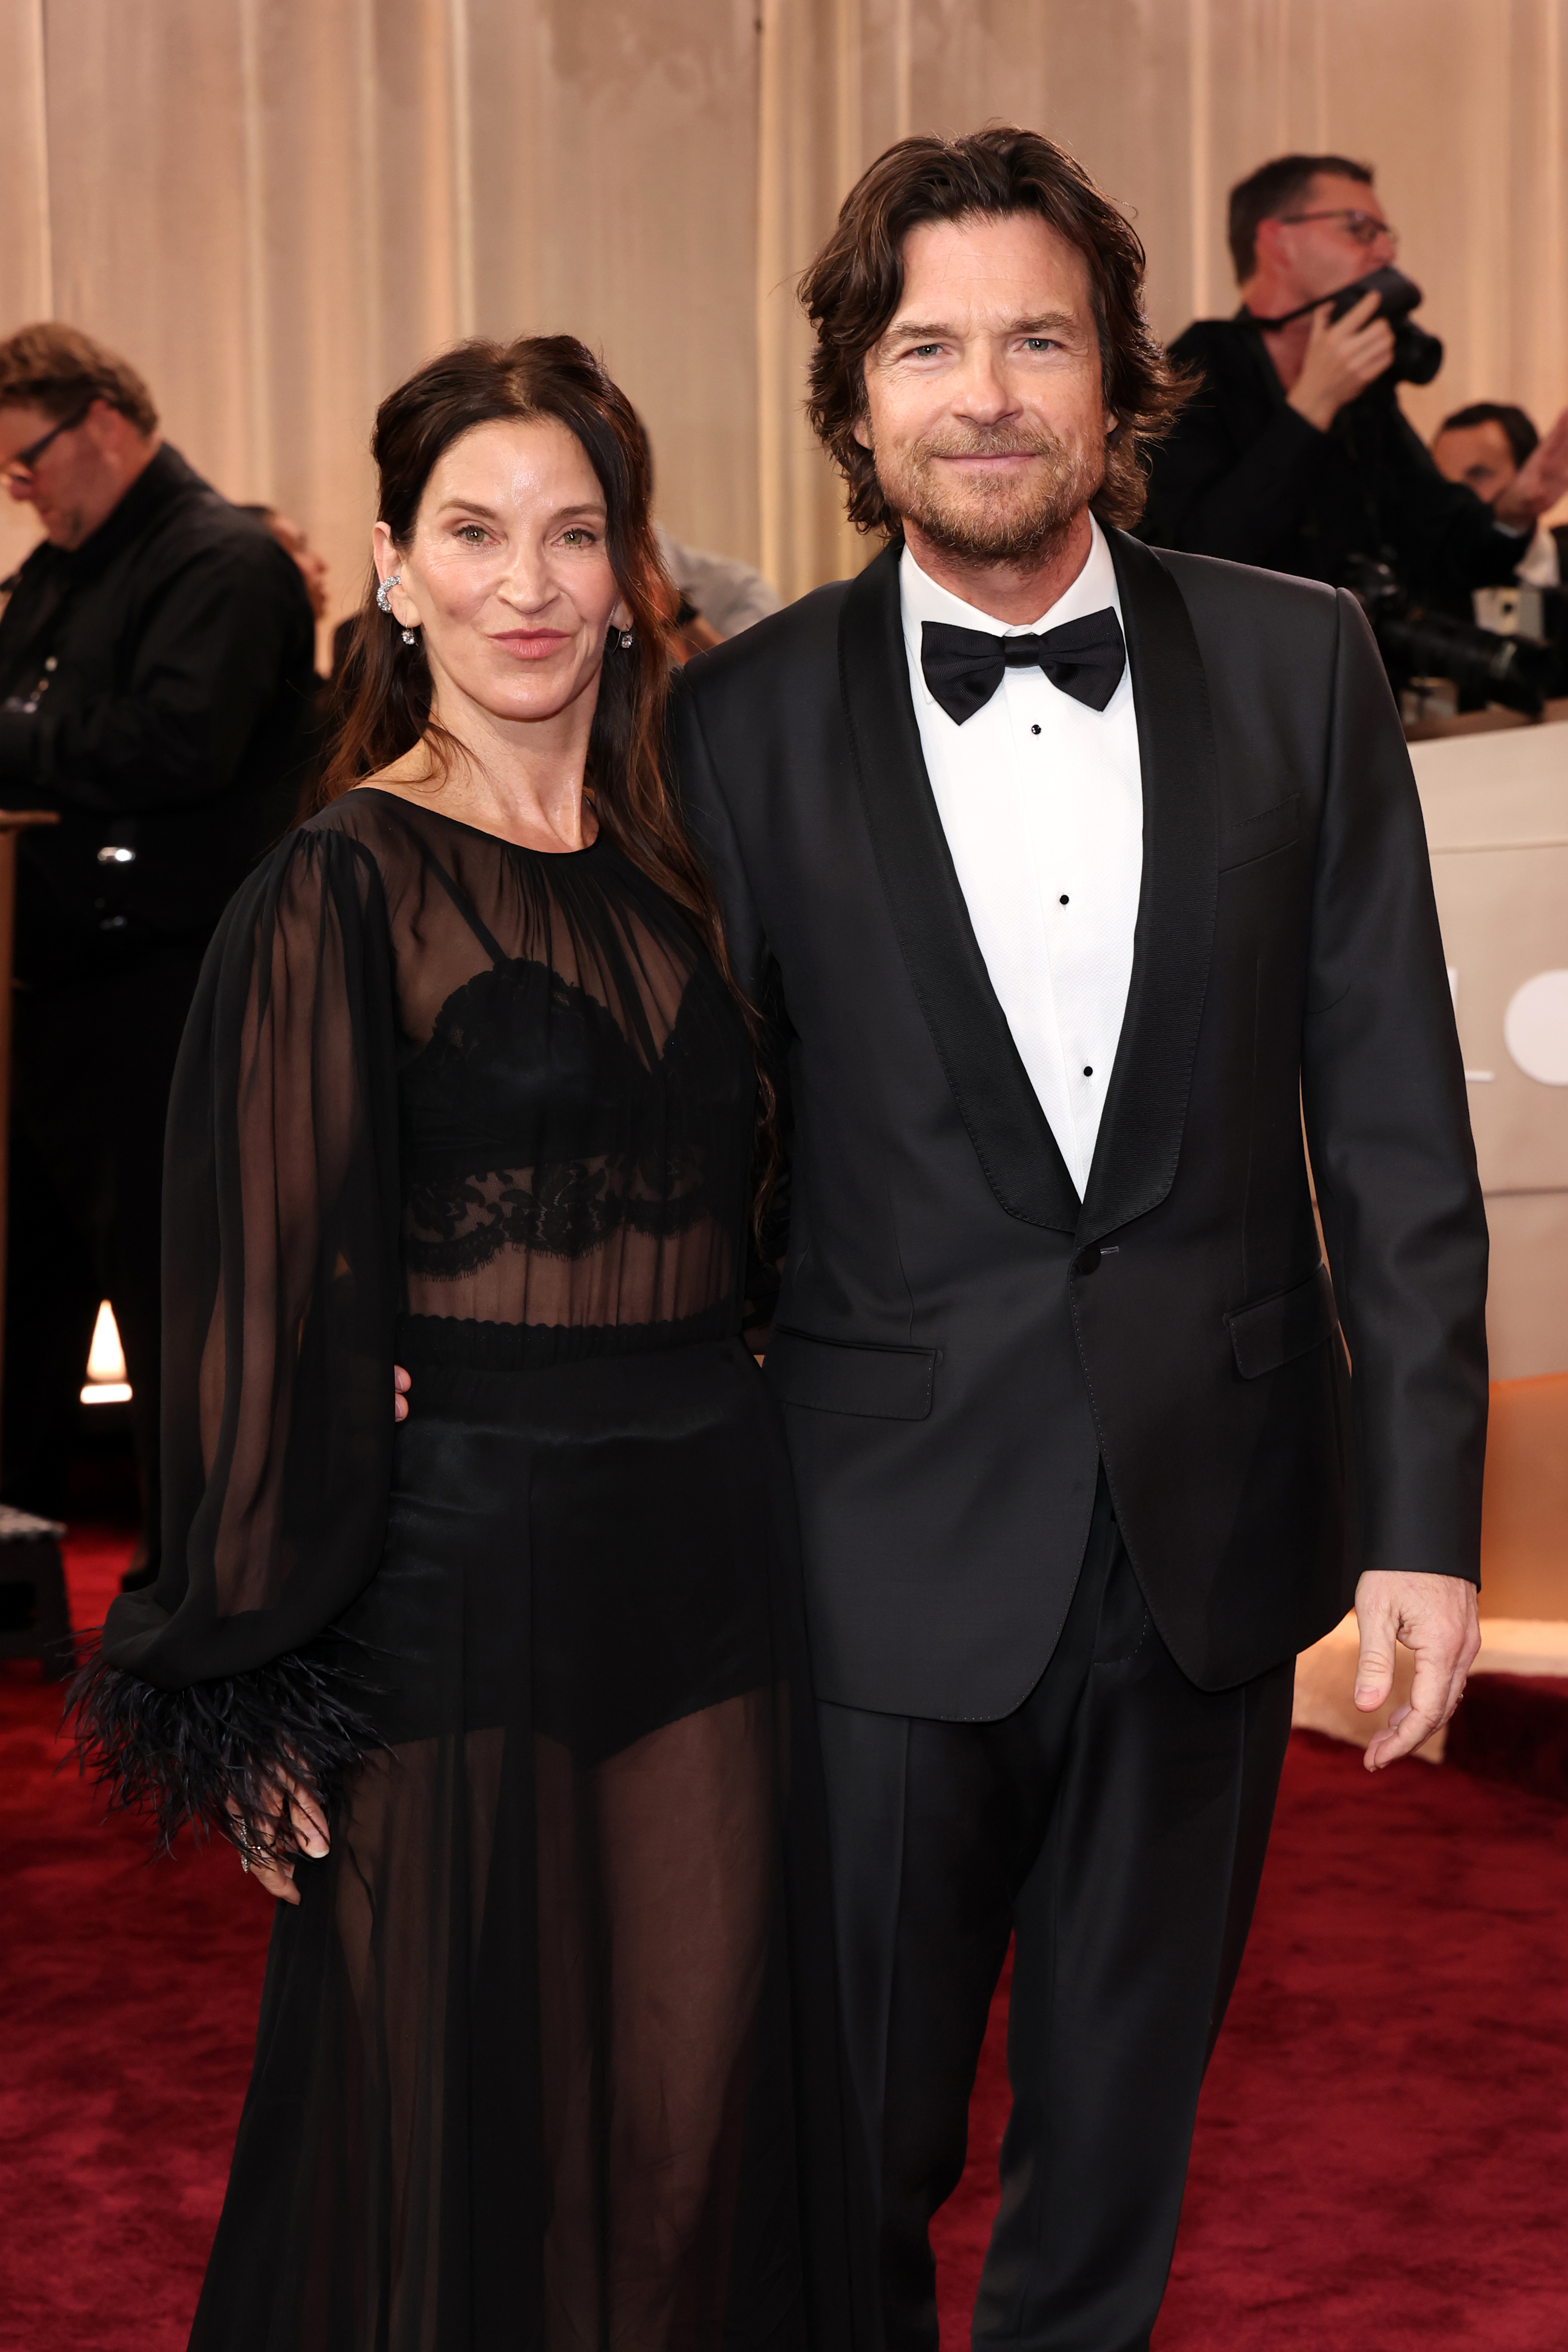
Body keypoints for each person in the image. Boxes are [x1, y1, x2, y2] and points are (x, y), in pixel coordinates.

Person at [672, 127, 1488, 2350]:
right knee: (846, 2156)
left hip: (1210, 1548)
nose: (990, 392)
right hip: (867, 1552)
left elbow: (1397, 1127)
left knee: (1113, 2175)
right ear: (855, 402)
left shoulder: (1304, 661)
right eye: (930, 345)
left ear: (1118, 375)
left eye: (1040, 337)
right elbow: (697, 1166)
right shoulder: (732, 725)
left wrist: (1425, 1526)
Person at [72, 334, 852, 2351]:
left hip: (702, 1546)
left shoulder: (695, 865)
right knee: (454, 2136)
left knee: (695, 2126)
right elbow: (244, 1298)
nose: (530, 583)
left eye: (573, 533)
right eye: (476, 533)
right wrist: (247, 1675)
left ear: (627, 565)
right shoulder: (338, 885)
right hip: (451, 1570)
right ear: (396, 573)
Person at [0, 326, 317, 1581]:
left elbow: (176, 745)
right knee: (25, 1297)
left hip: (169, 992)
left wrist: (24, 727)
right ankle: (20, 1557)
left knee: (170, 1298)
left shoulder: (221, 561)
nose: (17, 488)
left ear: (105, 427)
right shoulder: (54, 574)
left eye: (26, 461)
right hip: (49, 986)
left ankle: (196, 1577)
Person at [1138, 152, 1568, 596]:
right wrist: (1312, 408)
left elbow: (1440, 549)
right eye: (1359, 229)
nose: (1386, 252)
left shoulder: (1365, 393)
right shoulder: (1193, 370)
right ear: (1277, 241)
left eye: (1385, 236)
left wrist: (1514, 511)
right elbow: (1188, 563)